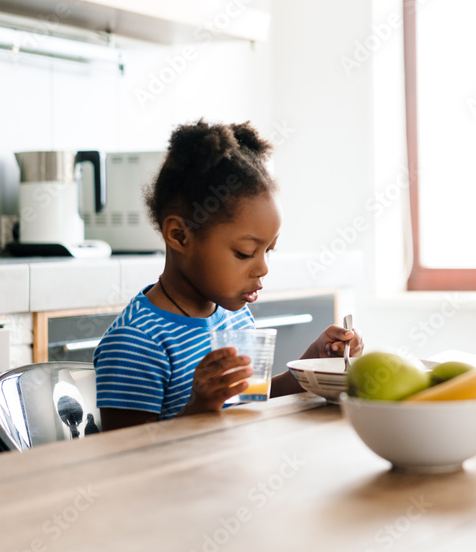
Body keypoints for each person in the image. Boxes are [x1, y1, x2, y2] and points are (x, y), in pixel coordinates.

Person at [95, 120, 362, 431]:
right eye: (245, 253)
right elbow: (122, 456)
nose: (263, 268)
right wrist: (199, 407)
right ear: (180, 236)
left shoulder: (233, 317)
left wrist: (312, 366)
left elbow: (247, 403)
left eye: (268, 251)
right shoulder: (137, 342)